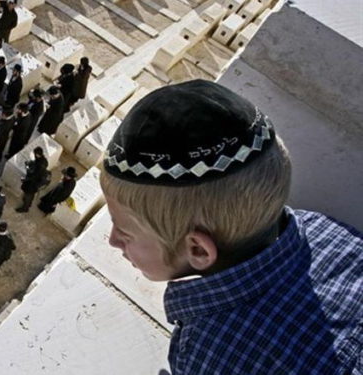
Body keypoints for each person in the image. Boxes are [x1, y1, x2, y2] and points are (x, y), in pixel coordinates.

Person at [99, 80, 363, 374]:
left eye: (123, 232)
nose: (112, 241)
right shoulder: (333, 233)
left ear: (198, 249)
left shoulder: (213, 356)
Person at [16, 147, 49, 212]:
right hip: (36, 183)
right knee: (31, 195)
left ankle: (25, 208)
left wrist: (27, 167)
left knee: (28, 195)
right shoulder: (44, 161)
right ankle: (29, 203)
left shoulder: (39, 165)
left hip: (32, 183)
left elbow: (32, 175)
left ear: (37, 154)